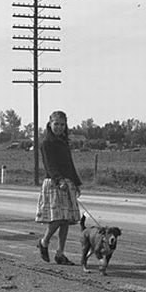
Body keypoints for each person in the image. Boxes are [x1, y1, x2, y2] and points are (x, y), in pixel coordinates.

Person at [35, 110, 82, 265]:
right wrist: (59, 180)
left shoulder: (63, 142)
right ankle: (44, 242)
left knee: (66, 220)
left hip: (67, 183)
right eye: (56, 124)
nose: (59, 127)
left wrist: (76, 182)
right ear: (50, 123)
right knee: (58, 219)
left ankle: (60, 253)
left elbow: (69, 165)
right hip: (55, 184)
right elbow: (50, 165)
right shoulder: (46, 143)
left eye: (62, 124)